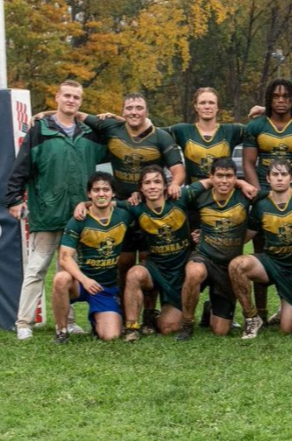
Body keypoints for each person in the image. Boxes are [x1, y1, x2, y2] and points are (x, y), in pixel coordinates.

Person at [6, 80, 107, 340]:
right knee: (37, 269)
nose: (71, 100)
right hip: (48, 213)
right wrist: (14, 199)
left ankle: (69, 321)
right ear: (57, 97)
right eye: (67, 96)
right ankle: (23, 322)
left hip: (80, 216)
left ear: (81, 102)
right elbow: (21, 167)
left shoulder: (90, 134)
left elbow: (119, 132)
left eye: (77, 97)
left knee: (68, 271)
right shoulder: (40, 131)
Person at [80, 94, 186, 331]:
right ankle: (122, 308)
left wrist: (174, 184)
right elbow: (76, 113)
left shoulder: (161, 136)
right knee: (123, 261)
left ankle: (149, 312)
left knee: (149, 260)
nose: (134, 112)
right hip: (124, 207)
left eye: (139, 108)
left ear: (147, 111)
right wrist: (45, 113)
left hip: (148, 206)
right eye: (129, 108)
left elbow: (178, 170)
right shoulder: (111, 126)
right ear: (122, 111)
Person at [243, 78, 292, 324]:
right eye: (276, 96)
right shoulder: (256, 126)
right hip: (265, 195)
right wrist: (258, 192)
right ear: (269, 99)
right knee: (261, 250)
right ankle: (261, 313)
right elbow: (248, 163)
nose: (281, 100)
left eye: (286, 96)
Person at [229, 160, 292, 339]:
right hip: (270, 263)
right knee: (237, 265)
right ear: (268, 179)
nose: (279, 178)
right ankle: (252, 318)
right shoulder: (261, 204)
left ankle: (289, 308)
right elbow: (245, 237)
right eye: (275, 175)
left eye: (283, 174)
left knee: (288, 328)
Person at [120, 166, 206, 342]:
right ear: (141, 188)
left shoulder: (180, 198)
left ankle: (177, 316)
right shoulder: (136, 207)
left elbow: (212, 181)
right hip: (155, 268)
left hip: (179, 271)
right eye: (147, 182)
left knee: (168, 328)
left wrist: (242, 183)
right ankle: (132, 327)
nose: (152, 186)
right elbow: (105, 203)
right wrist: (84, 204)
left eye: (157, 182)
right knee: (134, 274)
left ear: (165, 186)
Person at [178, 158, 256, 339]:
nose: (224, 181)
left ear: (235, 178)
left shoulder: (245, 196)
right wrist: (192, 234)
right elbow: (176, 203)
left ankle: (209, 309)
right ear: (211, 177)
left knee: (220, 331)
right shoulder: (200, 196)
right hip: (205, 257)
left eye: (229, 176)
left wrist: (243, 183)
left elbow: (270, 199)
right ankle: (187, 323)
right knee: (194, 272)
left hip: (228, 267)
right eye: (219, 176)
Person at [52, 172, 132, 343]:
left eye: (105, 189)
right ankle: (62, 332)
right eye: (96, 190)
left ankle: (97, 321)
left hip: (106, 288)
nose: (101, 194)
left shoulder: (124, 215)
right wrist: (85, 280)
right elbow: (64, 258)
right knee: (60, 278)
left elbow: (144, 204)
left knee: (111, 336)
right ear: (89, 194)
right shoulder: (78, 220)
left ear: (113, 193)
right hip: (81, 283)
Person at [167, 87, 245, 184]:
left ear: (217, 107)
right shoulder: (182, 130)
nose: (207, 107)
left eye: (211, 103)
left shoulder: (232, 131)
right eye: (202, 103)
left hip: (223, 190)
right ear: (196, 106)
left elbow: (259, 131)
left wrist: (264, 110)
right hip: (193, 194)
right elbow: (153, 133)